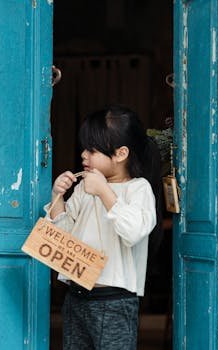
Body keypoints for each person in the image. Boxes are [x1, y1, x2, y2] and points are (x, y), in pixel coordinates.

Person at [45, 104, 161, 350]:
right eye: (84, 148)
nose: (84, 155)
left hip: (114, 301)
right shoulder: (84, 188)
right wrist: (58, 197)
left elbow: (133, 232)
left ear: (120, 154)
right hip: (76, 296)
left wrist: (104, 192)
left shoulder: (138, 189)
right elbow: (64, 238)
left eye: (92, 149)